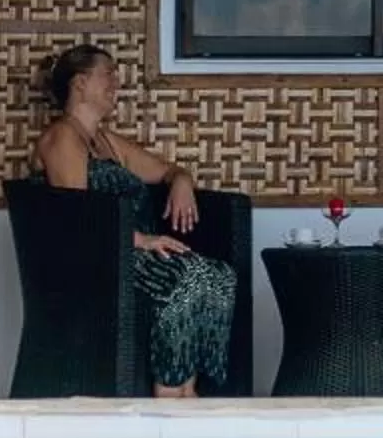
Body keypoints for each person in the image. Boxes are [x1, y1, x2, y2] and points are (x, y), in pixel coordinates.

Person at [36, 43, 236, 397]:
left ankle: (189, 388)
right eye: (108, 74)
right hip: (101, 259)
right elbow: (78, 217)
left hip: (134, 254)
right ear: (80, 83)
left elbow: (167, 170)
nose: (117, 83)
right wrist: (141, 240)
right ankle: (170, 392)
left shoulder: (107, 141)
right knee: (187, 277)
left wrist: (182, 181)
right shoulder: (63, 137)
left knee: (219, 275)